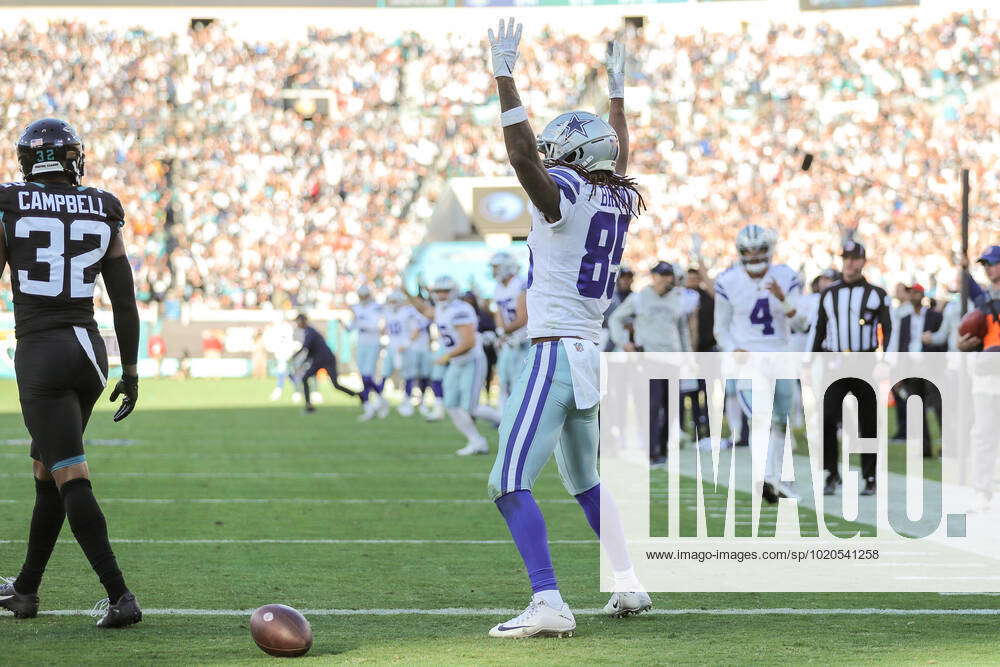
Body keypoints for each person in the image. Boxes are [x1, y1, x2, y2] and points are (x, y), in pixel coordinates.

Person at [485, 22, 650, 639]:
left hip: (554, 353)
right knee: (586, 483)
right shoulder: (616, 197)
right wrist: (618, 98)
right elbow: (618, 159)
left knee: (506, 481)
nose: (551, 161)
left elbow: (525, 156)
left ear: (576, 160)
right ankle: (630, 581)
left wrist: (505, 75)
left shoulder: (571, 193)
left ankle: (549, 599)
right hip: (589, 352)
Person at [0, 118, 141, 627]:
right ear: (71, 159)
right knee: (48, 472)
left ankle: (121, 596)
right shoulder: (103, 206)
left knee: (70, 476)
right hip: (90, 352)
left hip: (41, 354)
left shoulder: (9, 202)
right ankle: (26, 590)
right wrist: (131, 371)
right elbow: (124, 302)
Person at [713, 225, 803, 502]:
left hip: (781, 354)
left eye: (758, 249)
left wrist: (782, 298)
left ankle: (775, 478)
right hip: (749, 359)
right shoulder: (728, 281)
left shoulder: (786, 277)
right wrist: (732, 348)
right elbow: (721, 328)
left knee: (779, 421)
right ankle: (765, 476)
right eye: (748, 250)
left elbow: (800, 322)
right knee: (759, 419)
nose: (753, 255)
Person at [809, 241, 893, 497]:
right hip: (835, 362)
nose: (850, 263)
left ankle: (869, 476)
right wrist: (811, 362)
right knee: (827, 418)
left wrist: (885, 360)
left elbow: (888, 329)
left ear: (863, 261)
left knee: (868, 421)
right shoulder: (828, 294)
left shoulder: (877, 293)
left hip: (864, 361)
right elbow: (820, 330)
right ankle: (831, 473)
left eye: (855, 258)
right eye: (846, 257)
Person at [609, 261, 691, 464]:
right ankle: (651, 449)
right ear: (653, 276)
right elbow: (615, 319)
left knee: (672, 406)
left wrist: (687, 356)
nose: (666, 279)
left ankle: (663, 449)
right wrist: (624, 342)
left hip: (672, 358)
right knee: (652, 405)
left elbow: (683, 331)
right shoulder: (639, 298)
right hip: (649, 358)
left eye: (668, 275)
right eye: (661, 275)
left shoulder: (678, 299)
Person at [409, 276, 500, 454]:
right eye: (438, 291)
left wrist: (446, 356)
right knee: (450, 404)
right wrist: (406, 292)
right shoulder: (442, 309)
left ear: (453, 292)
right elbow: (425, 310)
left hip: (471, 360)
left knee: (470, 408)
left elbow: (468, 343)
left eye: (445, 291)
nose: (441, 295)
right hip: (457, 362)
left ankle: (507, 421)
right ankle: (477, 441)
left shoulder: (460, 310)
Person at [957, 245, 1000, 511]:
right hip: (986, 373)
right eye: (984, 264)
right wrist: (963, 344)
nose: (988, 268)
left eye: (992, 263)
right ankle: (982, 490)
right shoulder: (983, 299)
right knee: (983, 434)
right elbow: (970, 338)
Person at [887, 283, 944, 456]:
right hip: (911, 366)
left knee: (939, 406)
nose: (913, 296)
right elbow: (900, 344)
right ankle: (924, 449)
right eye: (910, 293)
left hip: (930, 365)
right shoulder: (904, 319)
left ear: (922, 295)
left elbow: (942, 342)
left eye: (916, 293)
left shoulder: (934, 316)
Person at [293, 313, 358, 414]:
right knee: (305, 378)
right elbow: (309, 351)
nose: (297, 324)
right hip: (319, 360)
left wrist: (294, 357)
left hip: (326, 360)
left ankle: (359, 395)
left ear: (303, 321)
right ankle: (309, 406)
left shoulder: (310, 332)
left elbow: (305, 348)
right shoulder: (308, 331)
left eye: (298, 321)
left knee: (336, 385)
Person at [490, 251, 529, 413]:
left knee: (519, 381)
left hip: (525, 339)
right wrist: (501, 333)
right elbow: (499, 313)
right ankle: (505, 414)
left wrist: (505, 332)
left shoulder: (521, 284)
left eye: (496, 267)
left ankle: (519, 414)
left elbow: (523, 317)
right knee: (504, 379)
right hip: (510, 339)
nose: (493, 271)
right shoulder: (498, 288)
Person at [349, 285, 388, 420]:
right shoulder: (357, 308)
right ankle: (371, 405)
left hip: (373, 344)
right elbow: (351, 326)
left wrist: (361, 322)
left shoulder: (376, 307)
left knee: (367, 376)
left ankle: (377, 402)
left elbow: (376, 326)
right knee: (362, 376)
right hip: (361, 344)